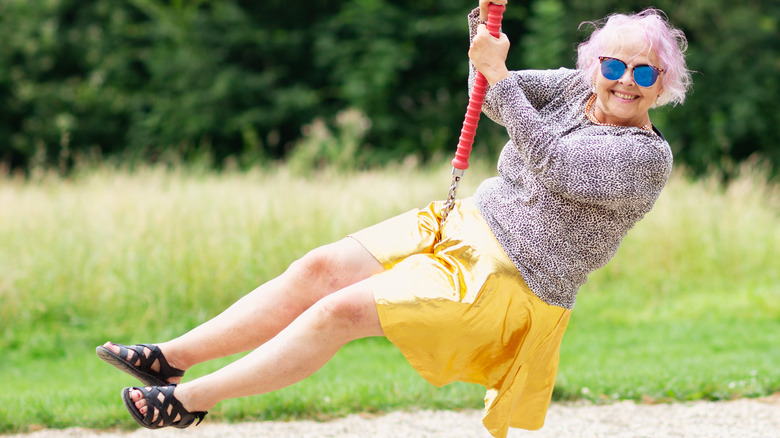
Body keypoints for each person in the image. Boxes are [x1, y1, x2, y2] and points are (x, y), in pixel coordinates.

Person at [96, 1, 691, 437]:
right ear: (596, 63)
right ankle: (171, 357)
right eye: (616, 66)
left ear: (662, 85)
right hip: (464, 222)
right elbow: (484, 90)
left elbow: (557, 164)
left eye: (645, 74)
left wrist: (502, 76)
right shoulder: (573, 89)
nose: (625, 83)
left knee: (339, 311)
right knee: (319, 269)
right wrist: (483, 36)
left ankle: (190, 401)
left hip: (512, 281)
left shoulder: (646, 156)